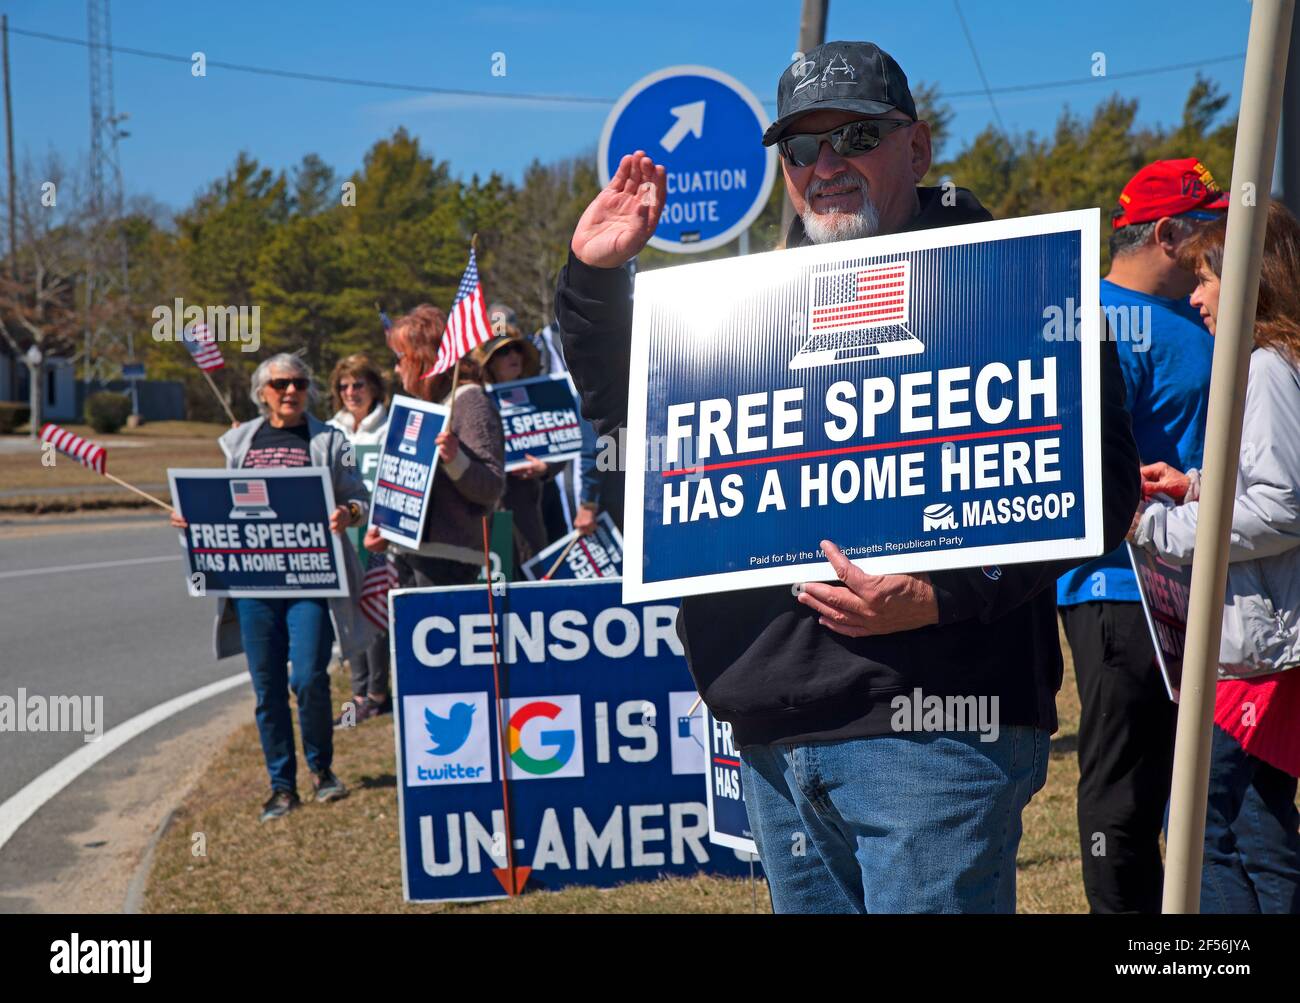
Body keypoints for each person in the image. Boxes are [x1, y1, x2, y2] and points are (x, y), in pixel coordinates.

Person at [555, 39, 1141, 913]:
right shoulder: (742, 307)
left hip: (932, 732)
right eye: (800, 147)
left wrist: (947, 592)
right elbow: (630, 421)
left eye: (855, 136)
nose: (825, 165)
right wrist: (597, 277)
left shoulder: (1015, 284)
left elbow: (1102, 486)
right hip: (772, 736)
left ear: (918, 146)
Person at [1054, 159, 1227, 913]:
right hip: (1122, 590)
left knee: (1198, 794)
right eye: (1209, 228)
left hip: (1202, 579)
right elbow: (1077, 454)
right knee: (1124, 797)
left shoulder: (1196, 312)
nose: (1224, 242)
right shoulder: (1095, 317)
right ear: (1166, 234)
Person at [1132, 200, 1300, 913]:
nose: (1194, 295)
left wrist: (1159, 525)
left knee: (1206, 823)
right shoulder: (1277, 362)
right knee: (1253, 827)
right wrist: (1195, 483)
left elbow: (1283, 505)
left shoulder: (1264, 366)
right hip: (1265, 647)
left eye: (1207, 278)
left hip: (1260, 654)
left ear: (1250, 280)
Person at [170, 353, 375, 822]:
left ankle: (323, 772)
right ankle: (282, 787)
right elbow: (221, 505)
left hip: (311, 579)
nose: (290, 392)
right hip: (254, 582)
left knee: (307, 677)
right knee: (266, 688)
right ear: (262, 392)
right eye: (280, 384)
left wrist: (350, 515)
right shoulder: (239, 441)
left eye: (299, 384)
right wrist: (189, 517)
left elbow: (360, 495)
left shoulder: (329, 439)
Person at [363, 304, 505, 587]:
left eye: (400, 357)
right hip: (407, 552)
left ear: (422, 358)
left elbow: (492, 486)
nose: (396, 367)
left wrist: (455, 459)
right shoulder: (425, 407)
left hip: (448, 559)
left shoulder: (469, 400)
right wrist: (385, 526)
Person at [327, 353, 391, 724]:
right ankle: (358, 691)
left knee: (375, 612)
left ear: (374, 388)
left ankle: (377, 693)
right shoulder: (330, 430)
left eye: (358, 385)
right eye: (344, 386)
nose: (351, 392)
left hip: (378, 537)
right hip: (342, 535)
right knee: (348, 614)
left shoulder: (389, 426)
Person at [474, 327, 559, 566]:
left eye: (517, 349)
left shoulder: (539, 396)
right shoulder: (476, 401)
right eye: (504, 352)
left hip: (527, 511)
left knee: (533, 575)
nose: (514, 356)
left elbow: (564, 444)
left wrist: (546, 467)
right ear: (489, 364)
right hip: (486, 514)